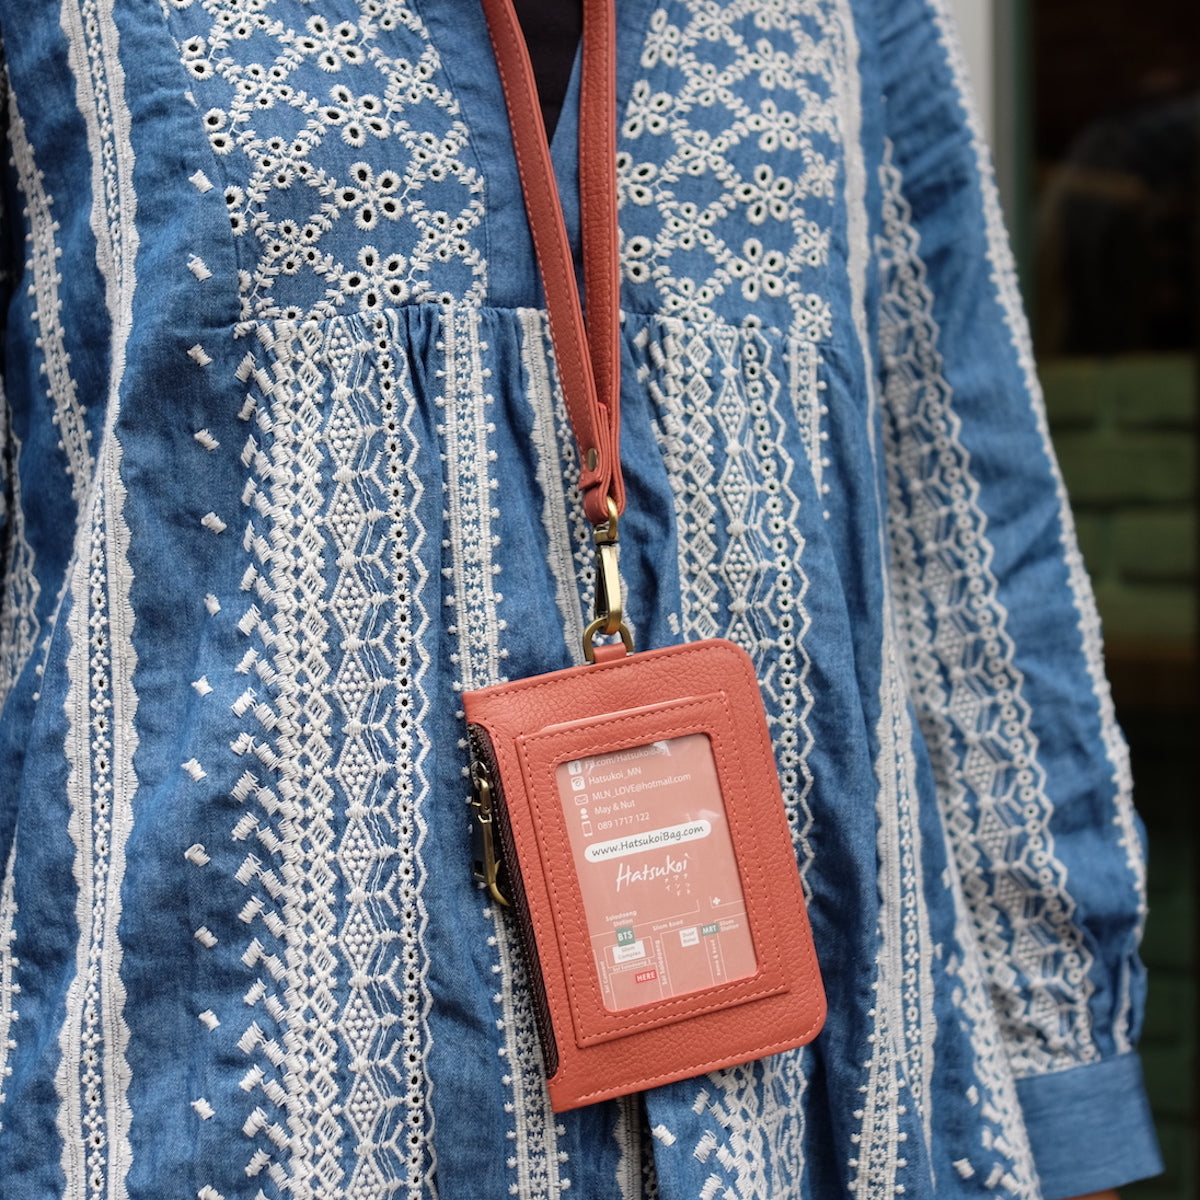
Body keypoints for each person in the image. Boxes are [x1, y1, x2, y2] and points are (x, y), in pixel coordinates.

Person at [0, 0, 1162, 1197]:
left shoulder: (851, 20)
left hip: (801, 1121)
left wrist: (1067, 1084)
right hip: (245, 1108)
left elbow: (963, 508)